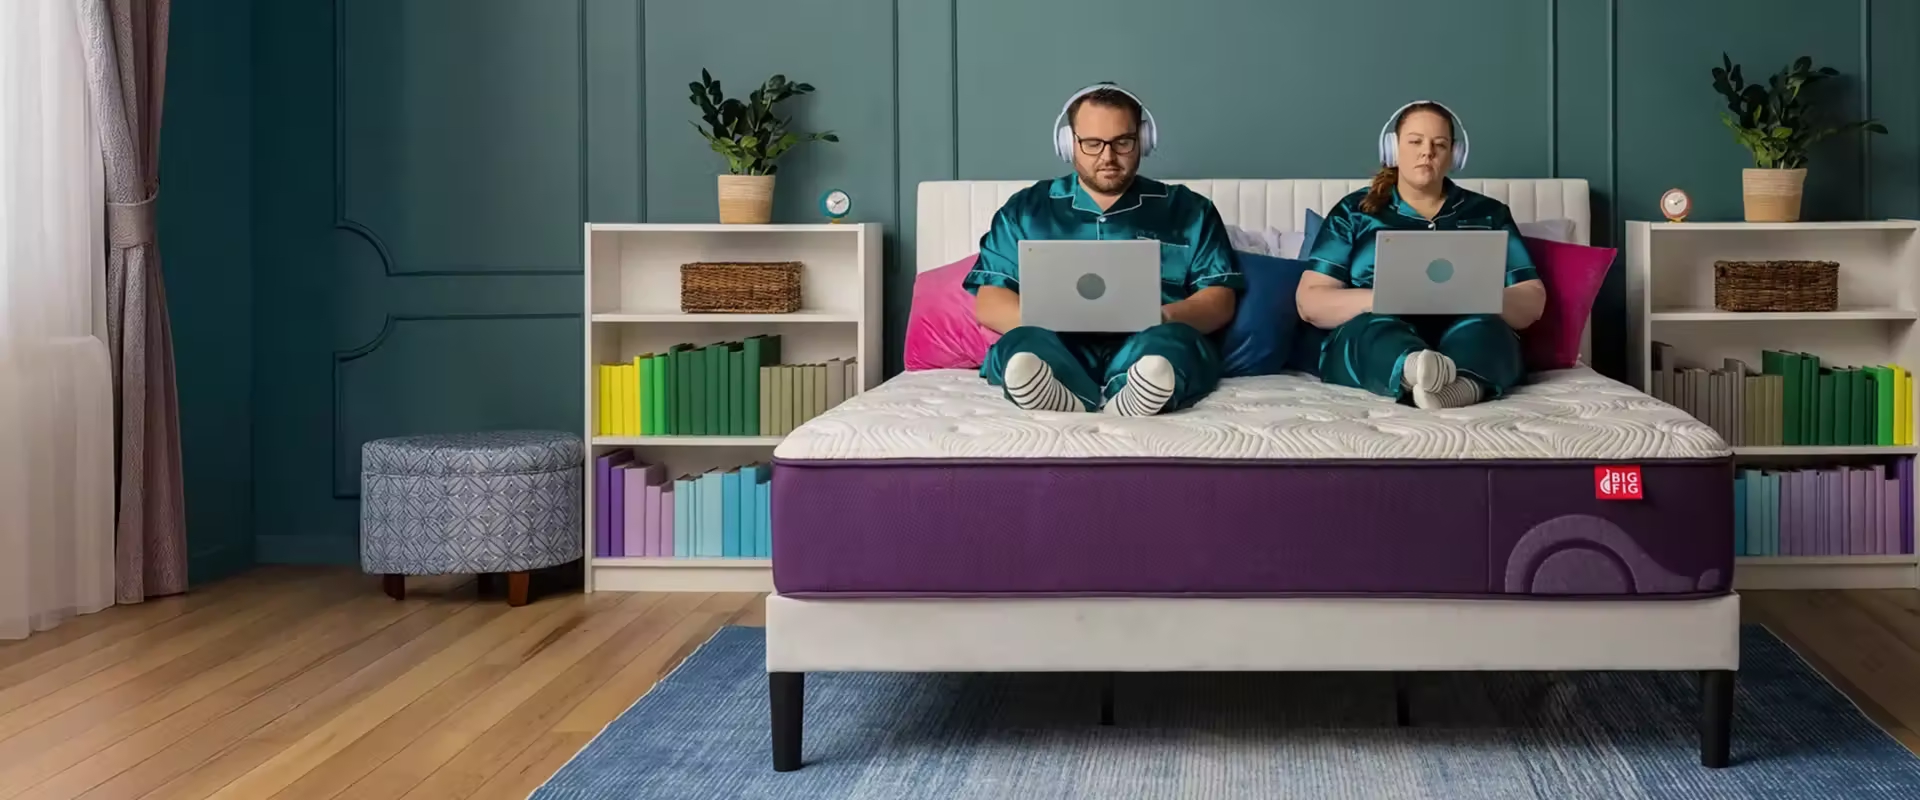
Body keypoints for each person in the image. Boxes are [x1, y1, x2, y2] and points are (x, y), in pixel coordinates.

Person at [964, 83, 1242, 416]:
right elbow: (991, 300)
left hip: (1149, 341)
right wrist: (1050, 318)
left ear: (1144, 140)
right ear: (1069, 144)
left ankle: (1138, 390)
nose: (1108, 157)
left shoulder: (1191, 210)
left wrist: (1162, 316)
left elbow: (1220, 298)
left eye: (1122, 142)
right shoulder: (1025, 209)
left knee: (1174, 347)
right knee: (1021, 347)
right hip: (1056, 342)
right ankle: (1055, 387)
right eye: (1092, 144)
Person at [1297, 101, 1547, 410]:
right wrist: (1383, 298)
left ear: (1455, 155)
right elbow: (1310, 302)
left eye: (1439, 144)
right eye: (1415, 141)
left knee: (1490, 331)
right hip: (1379, 329)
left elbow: (1532, 299)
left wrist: (1479, 297)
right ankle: (1413, 369)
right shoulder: (1354, 212)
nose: (1426, 152)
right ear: (1392, 148)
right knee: (1369, 329)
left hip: (1467, 329)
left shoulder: (1490, 214)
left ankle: (1459, 387)